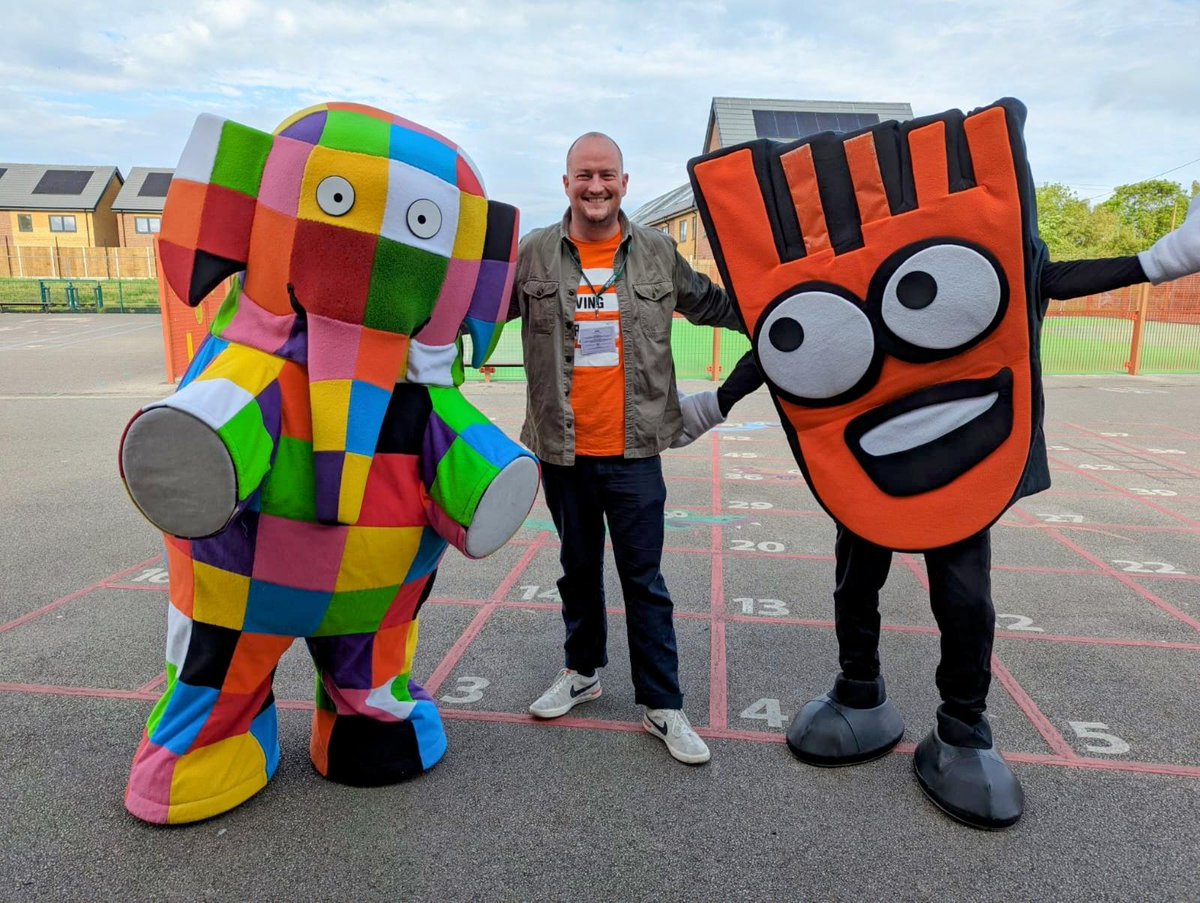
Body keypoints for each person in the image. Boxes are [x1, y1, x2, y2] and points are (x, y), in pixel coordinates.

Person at [676, 171, 1200, 827]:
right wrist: (718, 402)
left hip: (956, 459)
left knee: (964, 594)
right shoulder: (858, 260)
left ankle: (962, 723)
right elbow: (794, 331)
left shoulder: (992, 253)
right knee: (855, 576)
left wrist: (1160, 262)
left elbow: (1053, 280)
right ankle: (860, 687)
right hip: (868, 460)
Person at [507, 132, 742, 764]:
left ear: (624, 182)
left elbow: (714, 303)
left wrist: (784, 313)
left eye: (606, 175)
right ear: (566, 184)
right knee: (577, 571)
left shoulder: (660, 251)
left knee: (645, 581)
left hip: (637, 450)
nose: (595, 187)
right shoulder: (532, 256)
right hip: (564, 451)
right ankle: (582, 673)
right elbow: (472, 313)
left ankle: (663, 704)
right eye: (584, 175)